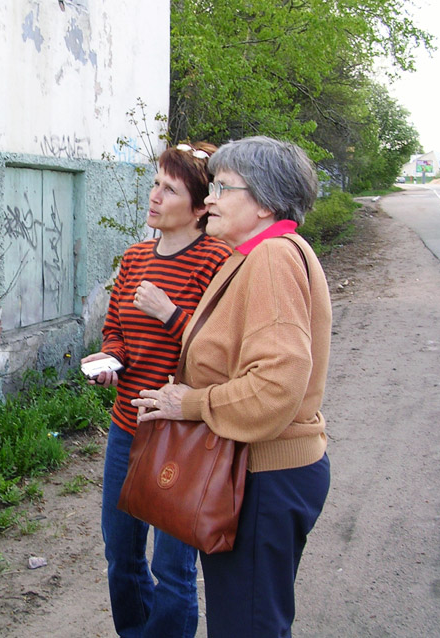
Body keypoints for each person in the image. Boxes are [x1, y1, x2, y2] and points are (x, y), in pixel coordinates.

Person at [132, 136, 331, 638]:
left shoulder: (272, 258)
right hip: (259, 472)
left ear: (264, 203)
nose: (211, 198)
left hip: (264, 475)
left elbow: (276, 385)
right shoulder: (257, 254)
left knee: (247, 626)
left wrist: (191, 403)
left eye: (223, 187)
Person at [82, 142, 233, 638]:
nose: (154, 195)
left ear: (199, 208)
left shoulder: (217, 261)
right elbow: (116, 331)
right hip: (128, 427)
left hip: (182, 435)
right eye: (155, 183)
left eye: (170, 189)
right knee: (121, 553)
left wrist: (169, 312)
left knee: (172, 569)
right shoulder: (134, 258)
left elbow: (221, 352)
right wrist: (111, 360)